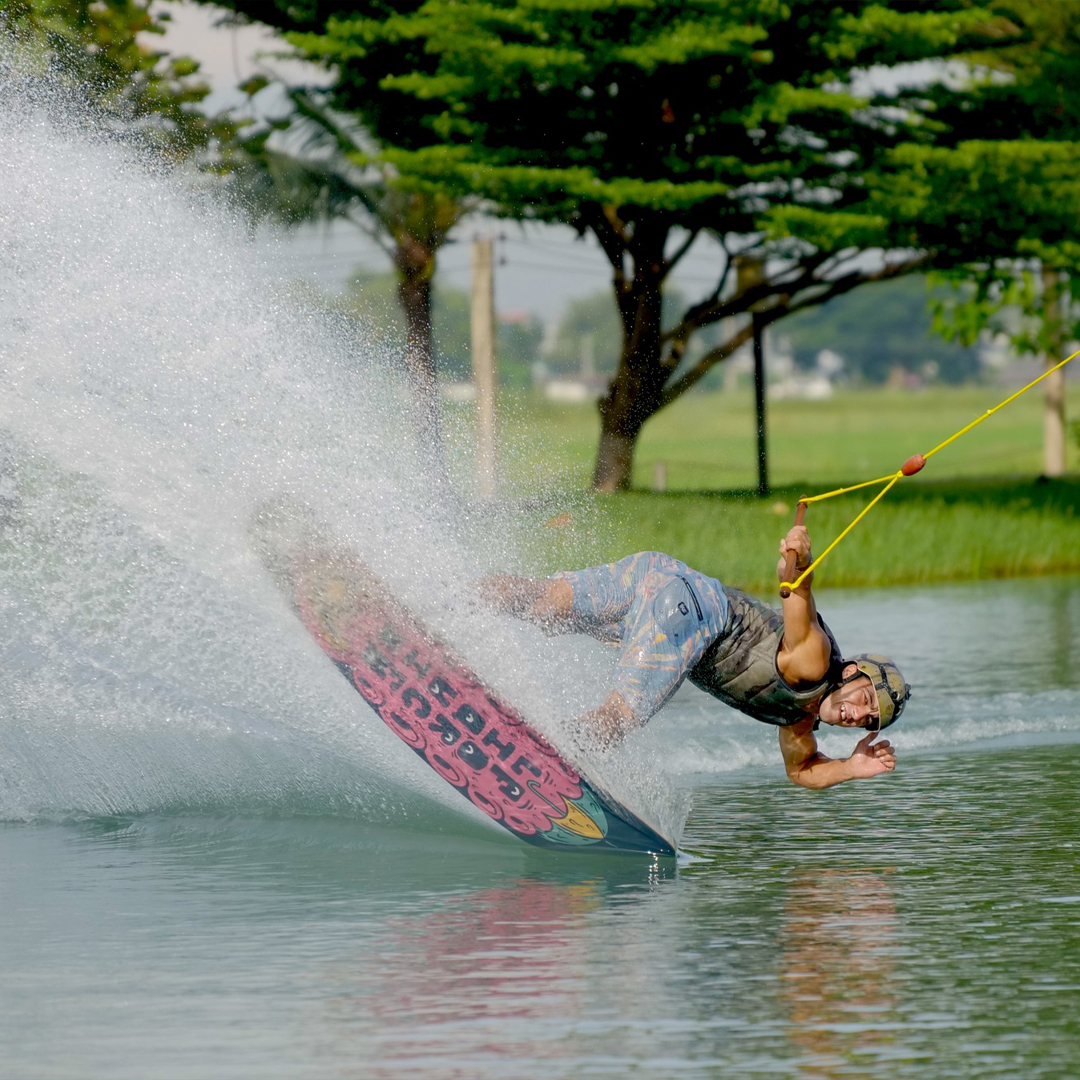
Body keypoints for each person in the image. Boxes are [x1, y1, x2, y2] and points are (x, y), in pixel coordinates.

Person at [480, 525, 910, 789]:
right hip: (688, 611)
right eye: (866, 699)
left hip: (660, 574)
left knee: (544, 606)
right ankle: (533, 765)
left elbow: (801, 771)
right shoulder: (814, 662)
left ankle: (448, 600)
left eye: (869, 721)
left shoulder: (799, 719)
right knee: (617, 718)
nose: (858, 715)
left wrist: (851, 767)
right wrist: (798, 562)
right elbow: (797, 593)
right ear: (850, 672)